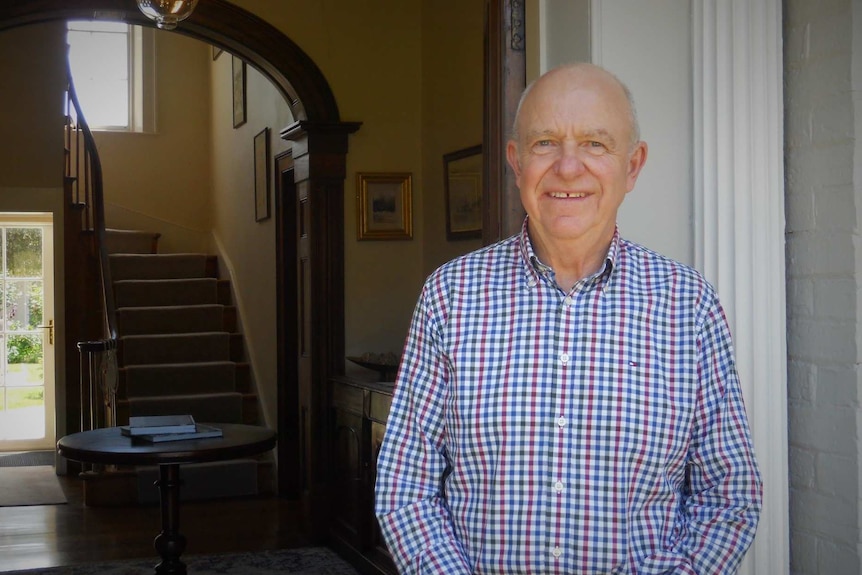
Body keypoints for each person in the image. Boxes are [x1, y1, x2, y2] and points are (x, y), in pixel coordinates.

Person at [374, 62, 762, 574]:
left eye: (596, 144)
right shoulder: (451, 295)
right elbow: (406, 485)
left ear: (633, 166)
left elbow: (729, 495)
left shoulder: (688, 305)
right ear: (516, 163)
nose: (569, 167)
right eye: (544, 143)